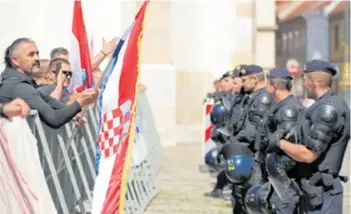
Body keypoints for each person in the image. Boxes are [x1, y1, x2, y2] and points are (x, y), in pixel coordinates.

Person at [267, 60, 350, 214]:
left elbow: (308, 155)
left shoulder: (327, 109)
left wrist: (279, 142)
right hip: (312, 188)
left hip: (323, 193)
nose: (303, 85)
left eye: (304, 80)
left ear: (312, 82)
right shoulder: (320, 105)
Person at [0, 38, 98, 129]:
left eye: (37, 54)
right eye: (31, 55)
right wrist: (81, 102)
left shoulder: (23, 83)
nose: (37, 58)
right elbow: (54, 119)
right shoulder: (19, 86)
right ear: (15, 60)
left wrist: (74, 112)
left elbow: (49, 100)